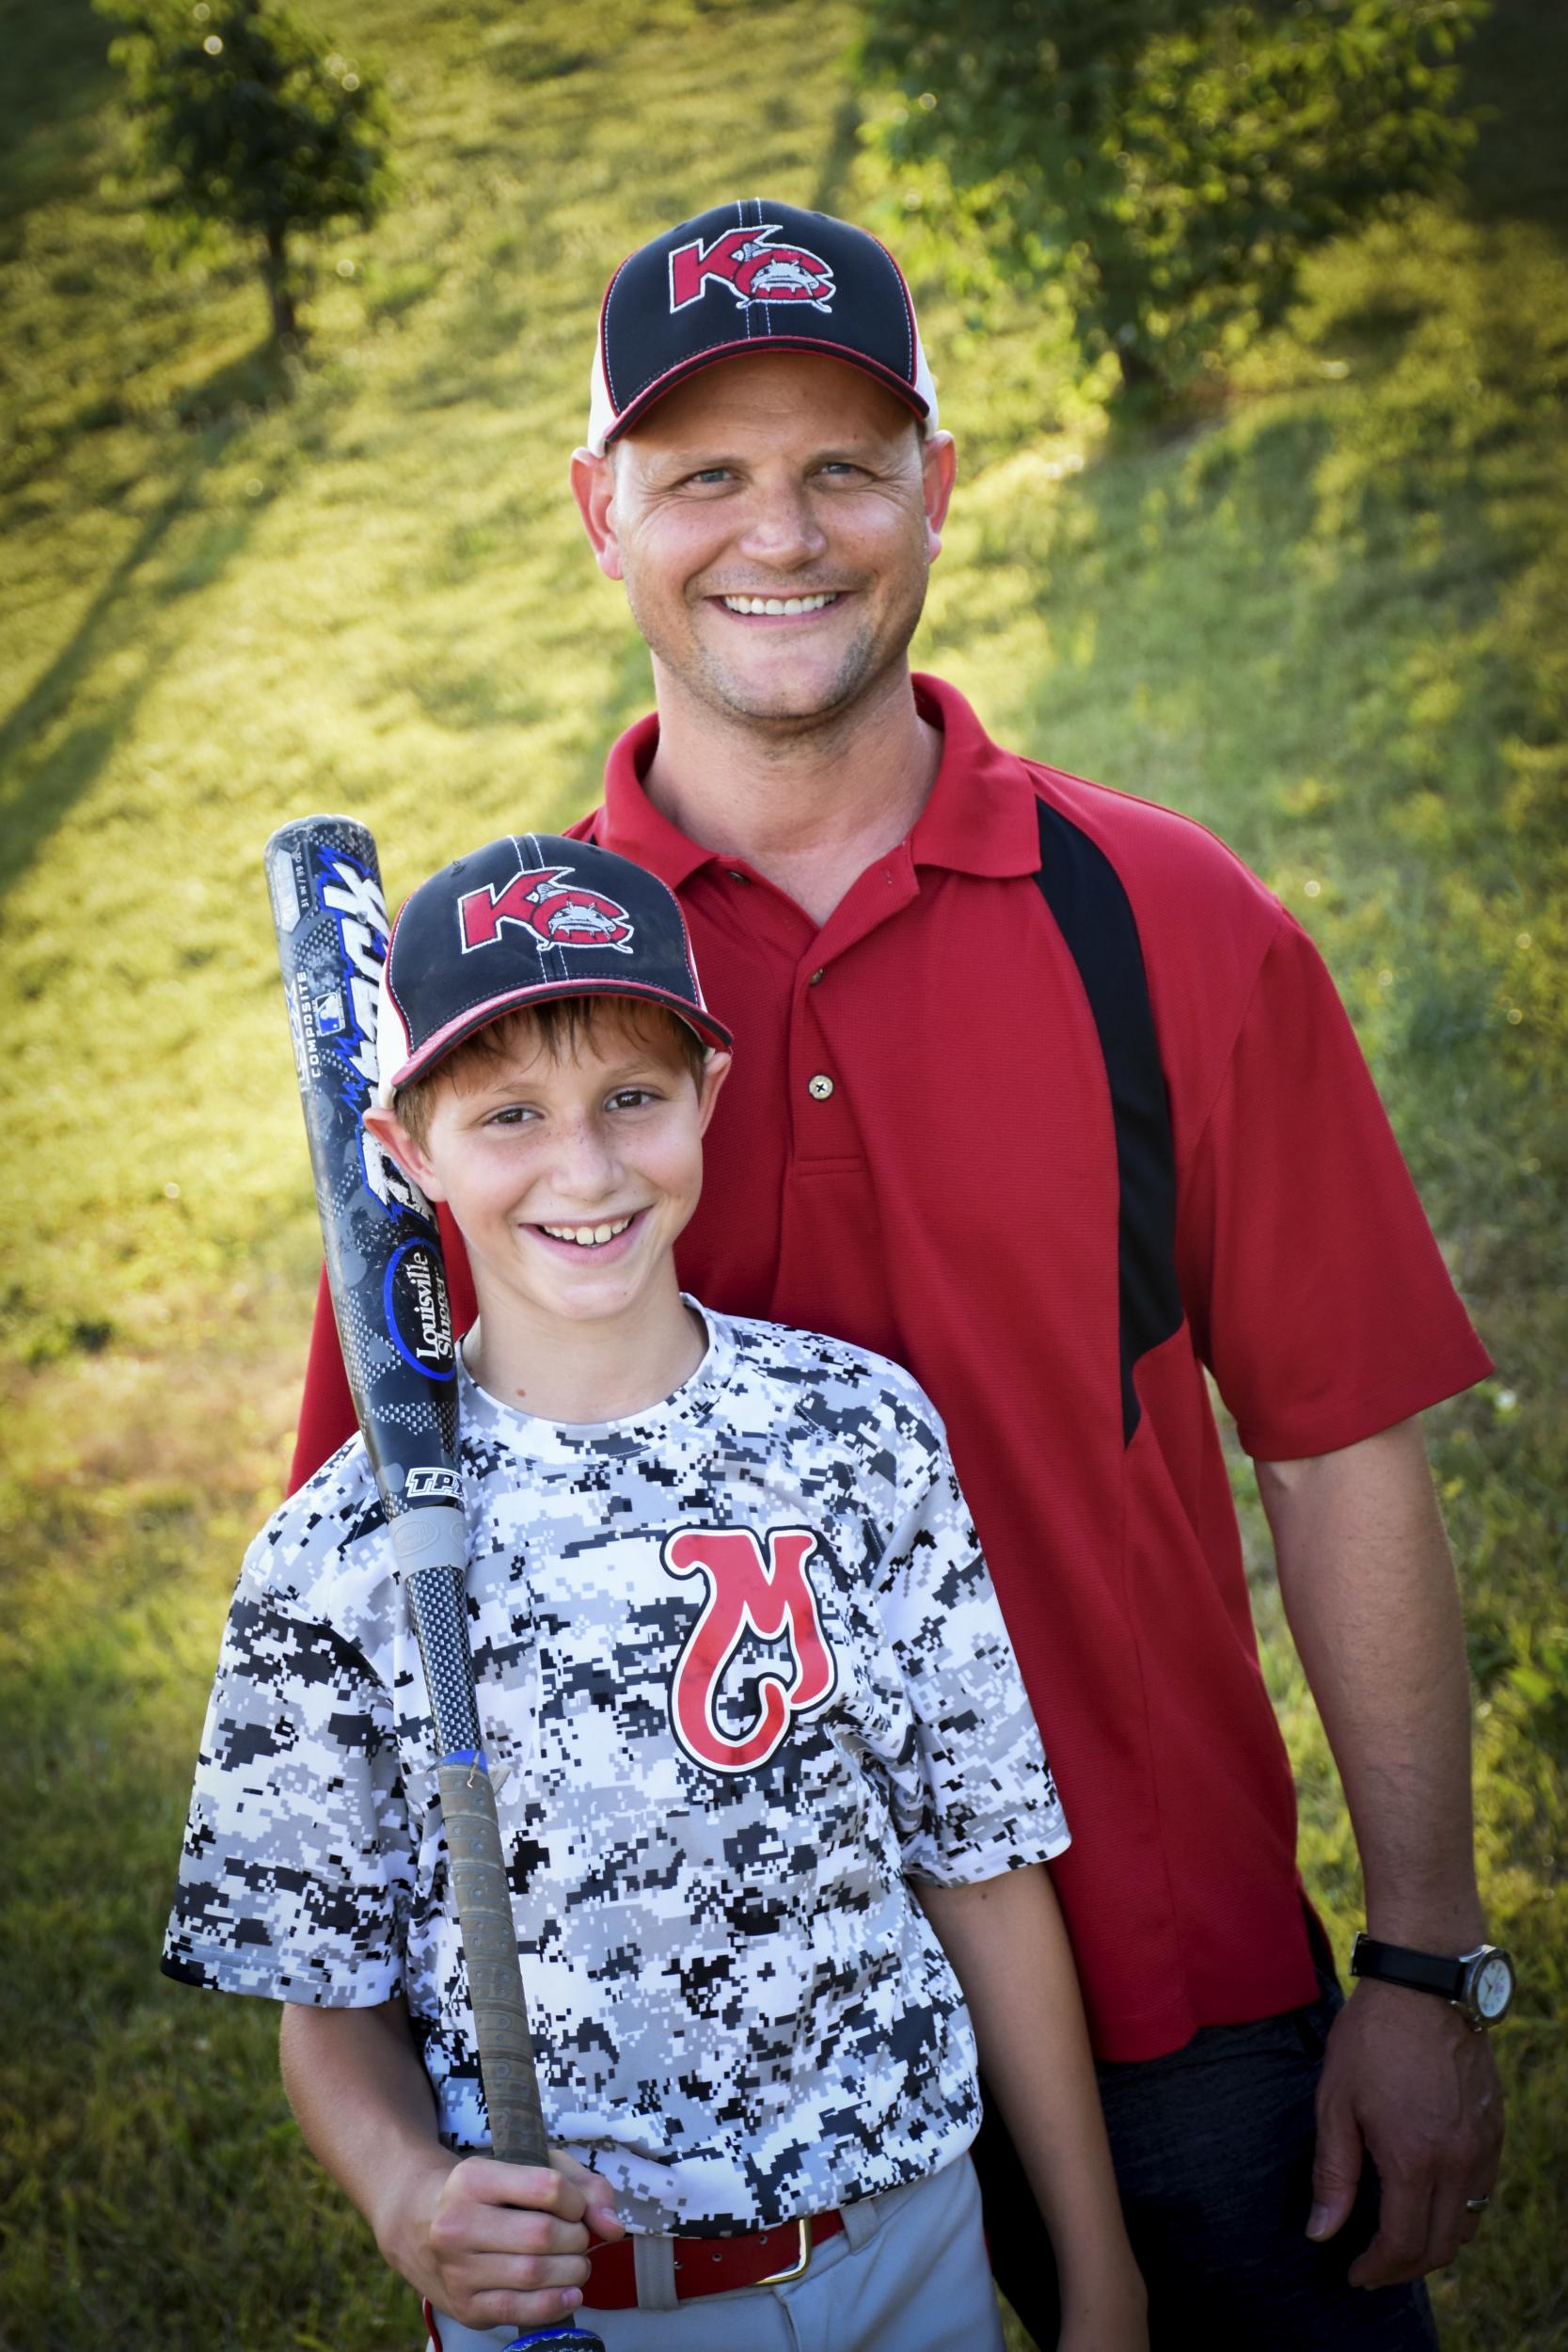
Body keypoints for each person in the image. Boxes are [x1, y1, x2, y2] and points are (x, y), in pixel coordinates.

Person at [289, 202, 1509, 2348]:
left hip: (1175, 2001)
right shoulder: (502, 1046)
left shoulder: (1170, 918)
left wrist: (1417, 1957)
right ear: (602, 514)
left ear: (935, 485)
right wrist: (404, 2138)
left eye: (845, 461)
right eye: (704, 475)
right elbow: (393, 1609)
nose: (784, 531)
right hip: (704, 2090)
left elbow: (1339, 1457)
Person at [164, 833, 1148, 2352]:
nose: (586, 1168)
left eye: (633, 1096)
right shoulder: (337, 1559)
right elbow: (327, 2002)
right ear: (407, 1149)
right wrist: (404, 2194)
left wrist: (1099, 2275)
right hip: (587, 2310)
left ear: (710, 1096)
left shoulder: (857, 1431)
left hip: (910, 2250)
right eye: (509, 1117)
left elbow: (981, 1869)